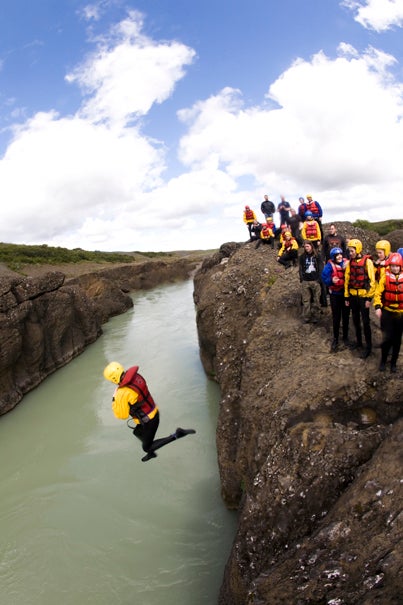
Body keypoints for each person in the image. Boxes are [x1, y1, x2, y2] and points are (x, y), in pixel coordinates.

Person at [103, 362, 195, 462]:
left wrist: (114, 399)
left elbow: (122, 415)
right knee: (137, 432)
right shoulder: (136, 376)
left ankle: (177, 434)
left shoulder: (122, 393)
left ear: (113, 379)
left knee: (146, 447)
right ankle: (151, 451)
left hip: (149, 421)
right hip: (153, 411)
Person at [344, 239, 376, 359]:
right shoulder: (350, 262)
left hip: (363, 297)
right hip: (353, 297)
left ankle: (368, 347)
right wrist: (346, 296)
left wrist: (369, 298)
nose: (350, 253)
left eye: (352, 251)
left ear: (357, 250)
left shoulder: (367, 262)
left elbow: (373, 282)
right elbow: (347, 280)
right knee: (356, 321)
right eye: (349, 251)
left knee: (366, 322)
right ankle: (359, 343)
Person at [373, 252, 403, 373]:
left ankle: (394, 363)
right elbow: (378, 293)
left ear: (401, 266)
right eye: (392, 266)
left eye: (397, 266)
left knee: (397, 339)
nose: (394, 268)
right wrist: (378, 307)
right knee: (387, 338)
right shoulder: (385, 277)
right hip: (387, 312)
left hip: (400, 313)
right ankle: (383, 361)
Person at [321, 247, 350, 351]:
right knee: (336, 317)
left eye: (340, 255)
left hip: (346, 295)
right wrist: (331, 280)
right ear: (333, 257)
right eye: (337, 255)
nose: (339, 257)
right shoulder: (329, 266)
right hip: (335, 295)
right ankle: (336, 338)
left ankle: (346, 337)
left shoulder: (347, 263)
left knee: (346, 316)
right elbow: (324, 278)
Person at [299, 240, 323, 324]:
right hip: (306, 281)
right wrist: (302, 279)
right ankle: (306, 317)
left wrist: (318, 279)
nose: (306, 248)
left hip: (315, 280)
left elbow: (321, 268)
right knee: (306, 301)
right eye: (305, 247)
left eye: (308, 246)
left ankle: (317, 316)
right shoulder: (302, 257)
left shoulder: (318, 256)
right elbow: (300, 268)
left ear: (311, 246)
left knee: (317, 300)